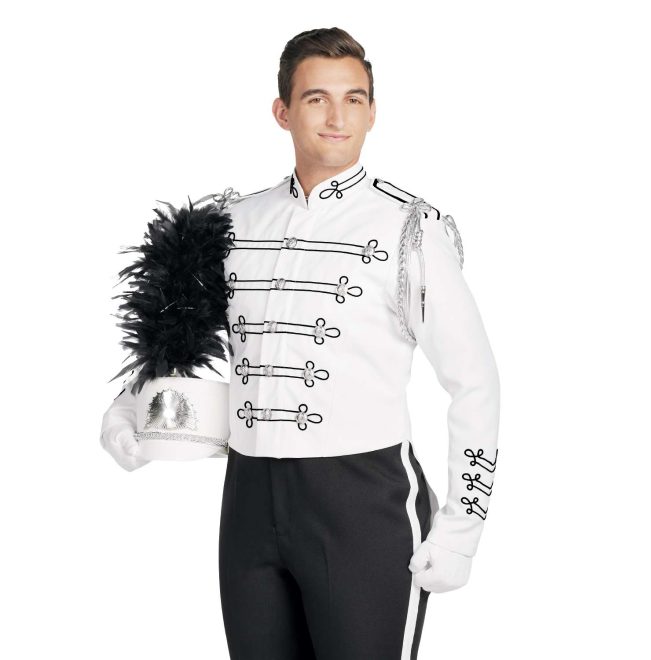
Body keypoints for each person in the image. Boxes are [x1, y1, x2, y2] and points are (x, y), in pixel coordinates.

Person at [100, 27, 500, 660]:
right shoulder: (234, 222)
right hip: (249, 497)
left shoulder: (410, 228)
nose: (338, 117)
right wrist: (133, 409)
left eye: (354, 99)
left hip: (362, 500)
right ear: (283, 111)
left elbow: (474, 382)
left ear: (372, 111)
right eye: (317, 99)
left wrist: (463, 527)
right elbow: (175, 339)